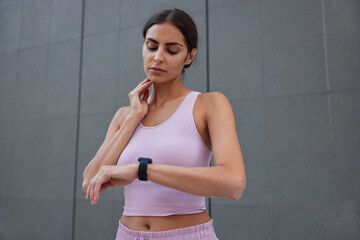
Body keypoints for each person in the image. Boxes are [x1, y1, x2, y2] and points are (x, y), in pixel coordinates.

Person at [82, 8, 246, 240]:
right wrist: (133, 118)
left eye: (171, 50)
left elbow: (234, 184)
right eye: (151, 46)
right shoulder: (124, 116)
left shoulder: (208, 105)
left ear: (189, 56)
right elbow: (90, 181)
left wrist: (141, 170)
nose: (158, 56)